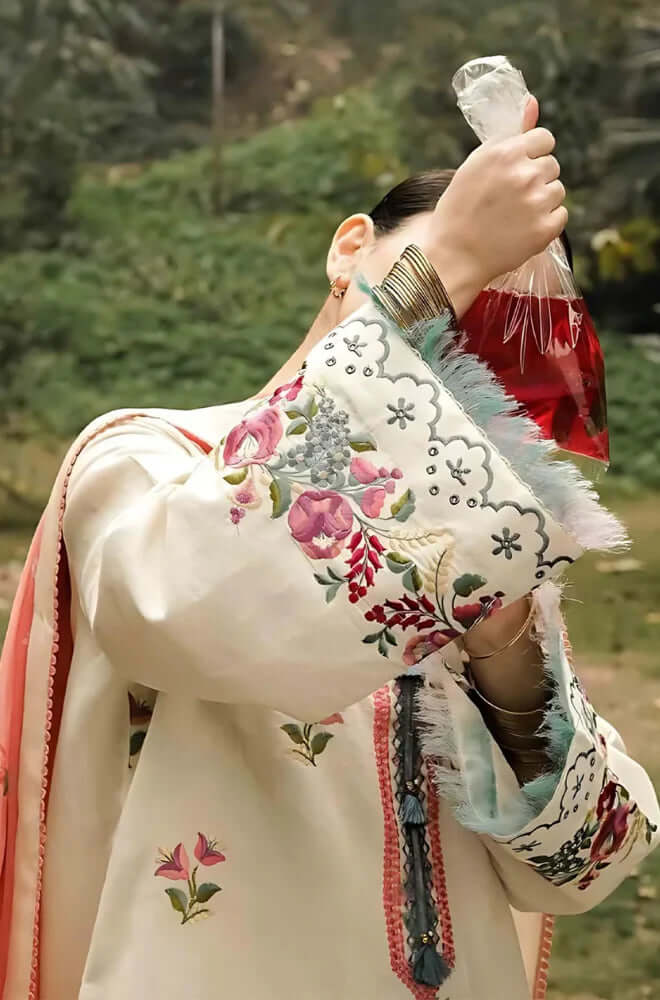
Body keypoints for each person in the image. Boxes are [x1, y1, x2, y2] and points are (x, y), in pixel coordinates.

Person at [1, 97, 658, 1000]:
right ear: (349, 248)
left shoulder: (489, 550)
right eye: (454, 276)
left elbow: (588, 865)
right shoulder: (147, 461)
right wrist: (446, 265)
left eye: (505, 331)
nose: (463, 331)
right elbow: (171, 603)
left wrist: (508, 651)